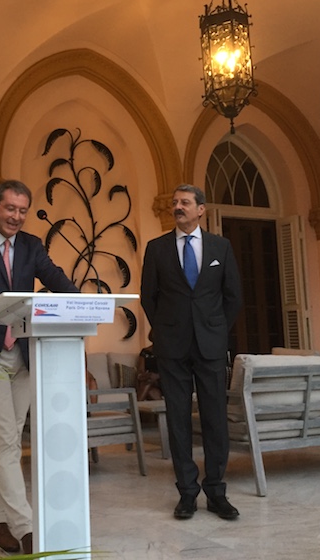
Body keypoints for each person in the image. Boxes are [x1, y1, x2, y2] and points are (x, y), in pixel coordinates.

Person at [0, 179, 79, 555]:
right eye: (10, 209)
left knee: (5, 441)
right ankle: (26, 527)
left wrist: (84, 304)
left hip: (21, 353)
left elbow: (53, 277)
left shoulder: (31, 245)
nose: (17, 217)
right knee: (5, 441)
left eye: (23, 211)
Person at [140, 184, 243, 521]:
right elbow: (148, 297)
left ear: (201, 209)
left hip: (211, 347)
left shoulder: (221, 247)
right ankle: (187, 493)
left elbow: (233, 297)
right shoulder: (156, 248)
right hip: (173, 348)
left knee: (215, 420)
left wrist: (215, 331)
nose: (178, 207)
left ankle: (216, 492)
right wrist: (168, 330)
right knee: (179, 420)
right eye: (175, 202)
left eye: (185, 202)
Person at [136, 330, 162, 401]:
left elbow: (170, 370)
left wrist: (156, 376)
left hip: (162, 381)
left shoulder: (167, 353)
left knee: (147, 383)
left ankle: (135, 407)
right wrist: (147, 376)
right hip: (148, 380)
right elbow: (140, 372)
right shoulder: (145, 352)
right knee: (150, 389)